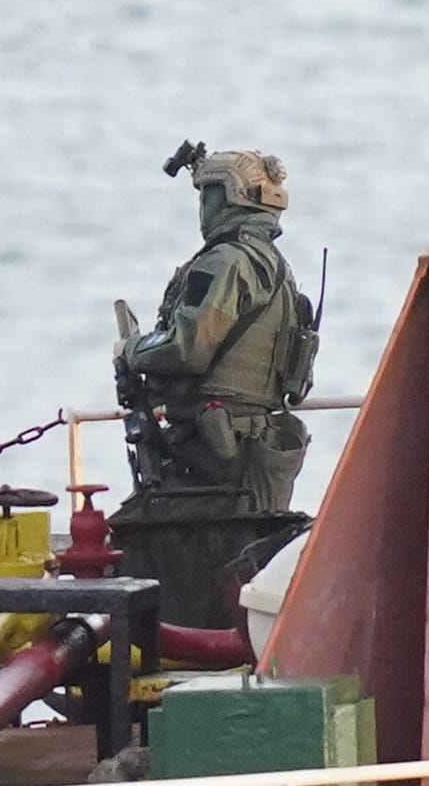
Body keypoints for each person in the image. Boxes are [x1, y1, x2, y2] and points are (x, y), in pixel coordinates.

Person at [111, 144, 320, 521]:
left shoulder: (227, 261)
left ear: (228, 197)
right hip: (246, 445)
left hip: (212, 450)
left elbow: (188, 346)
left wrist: (132, 349)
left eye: (208, 194)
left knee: (148, 540)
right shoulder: (274, 265)